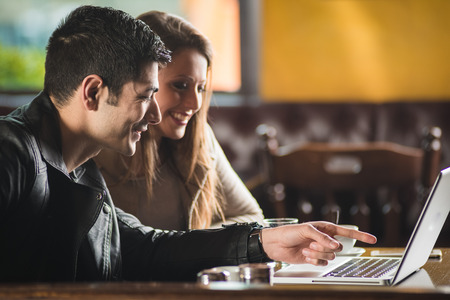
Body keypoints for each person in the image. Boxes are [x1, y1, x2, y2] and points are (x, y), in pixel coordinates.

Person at [0, 5, 377, 283]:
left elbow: (147, 248)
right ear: (94, 92)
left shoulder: (81, 172)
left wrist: (264, 241)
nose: (152, 116)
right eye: (145, 96)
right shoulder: (12, 151)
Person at [95, 11, 264, 230]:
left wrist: (191, 249)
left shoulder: (198, 137)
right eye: (180, 85)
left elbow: (251, 216)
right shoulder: (92, 152)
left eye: (200, 88)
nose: (195, 104)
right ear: (138, 80)